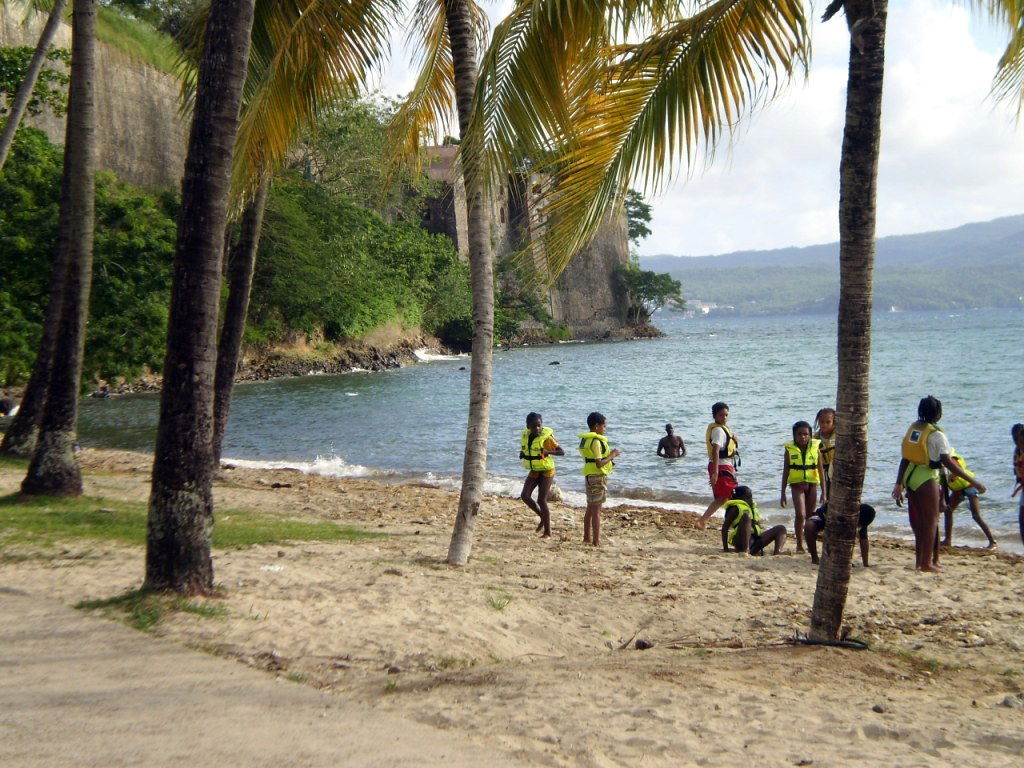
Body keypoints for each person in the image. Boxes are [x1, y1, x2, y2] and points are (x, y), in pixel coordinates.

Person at [892, 396, 986, 572]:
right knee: (931, 521)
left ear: (920, 411)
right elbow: (948, 462)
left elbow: (905, 458)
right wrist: (973, 481)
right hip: (926, 477)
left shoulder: (915, 429)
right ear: (939, 414)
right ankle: (927, 563)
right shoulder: (937, 435)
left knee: (920, 523)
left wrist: (899, 483)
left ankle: (920, 562)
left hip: (910, 476)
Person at [780, 420, 825, 553]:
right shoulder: (789, 451)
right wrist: (782, 492)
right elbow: (786, 471)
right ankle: (799, 544)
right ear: (794, 436)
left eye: (805, 434)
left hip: (812, 485)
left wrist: (824, 492)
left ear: (810, 435)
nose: (802, 437)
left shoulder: (816, 450)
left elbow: (821, 472)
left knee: (810, 517)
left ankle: (810, 545)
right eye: (799, 434)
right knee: (800, 514)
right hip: (797, 485)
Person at [518, 412, 565, 538]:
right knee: (525, 495)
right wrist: (523, 454)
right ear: (528, 426)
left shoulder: (547, 438)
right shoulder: (527, 437)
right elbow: (527, 450)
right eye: (534, 426)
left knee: (541, 499)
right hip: (535, 469)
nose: (537, 428)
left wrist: (548, 451)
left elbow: (562, 452)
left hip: (547, 471)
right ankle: (542, 517)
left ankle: (548, 532)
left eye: (539, 425)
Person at [579, 411, 620, 546]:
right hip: (597, 476)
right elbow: (599, 463)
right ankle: (596, 541)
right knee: (596, 510)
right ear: (596, 426)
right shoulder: (596, 442)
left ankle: (586, 537)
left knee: (590, 508)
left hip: (589, 476)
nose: (605, 428)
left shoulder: (586, 439)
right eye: (604, 426)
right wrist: (612, 455)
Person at [696, 402, 738, 530]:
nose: (724, 417)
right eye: (721, 415)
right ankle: (704, 520)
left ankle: (704, 520)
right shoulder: (718, 431)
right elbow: (715, 450)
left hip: (724, 465)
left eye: (726, 415)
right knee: (728, 496)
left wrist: (734, 439)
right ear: (715, 416)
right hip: (721, 466)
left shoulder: (722, 429)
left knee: (723, 497)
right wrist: (715, 472)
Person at [942, 452, 996, 549]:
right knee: (948, 510)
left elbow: (958, 470)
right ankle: (947, 540)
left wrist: (950, 477)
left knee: (976, 515)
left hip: (969, 486)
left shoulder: (950, 458)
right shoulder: (938, 460)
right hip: (957, 489)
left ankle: (992, 542)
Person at [721, 485, 787, 555]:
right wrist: (725, 548)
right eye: (747, 497)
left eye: (751, 497)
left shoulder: (752, 508)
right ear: (738, 498)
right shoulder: (734, 508)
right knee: (747, 516)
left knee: (781, 528)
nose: (751, 499)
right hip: (741, 543)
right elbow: (724, 528)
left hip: (755, 542)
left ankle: (777, 551)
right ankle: (746, 550)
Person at [805, 502, 875, 567]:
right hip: (826, 519)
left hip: (843, 529)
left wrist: (865, 564)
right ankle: (815, 558)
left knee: (852, 533)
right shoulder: (838, 506)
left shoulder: (863, 518)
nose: (859, 525)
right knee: (809, 525)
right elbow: (819, 513)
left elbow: (864, 540)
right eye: (859, 524)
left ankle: (846, 560)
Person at [814, 408, 836, 497]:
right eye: (822, 422)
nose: (824, 425)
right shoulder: (814, 439)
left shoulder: (840, 436)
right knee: (826, 492)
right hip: (823, 470)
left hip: (836, 469)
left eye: (828, 422)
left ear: (834, 422)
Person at [1012, 423, 1024, 548]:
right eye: (1015, 439)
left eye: (1019, 440)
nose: (1017, 443)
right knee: (1022, 520)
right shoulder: (1017, 451)